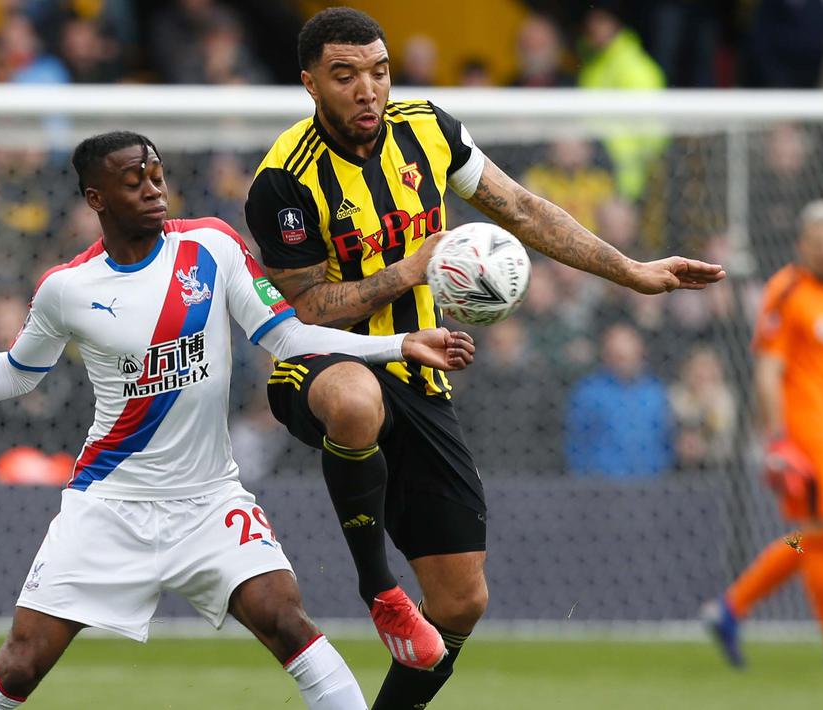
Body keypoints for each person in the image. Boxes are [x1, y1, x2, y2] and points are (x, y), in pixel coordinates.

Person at [0, 130, 477, 710]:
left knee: (286, 620)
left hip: (207, 499)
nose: (152, 187)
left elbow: (287, 338)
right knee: (21, 664)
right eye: (132, 179)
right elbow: (19, 370)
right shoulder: (67, 288)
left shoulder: (212, 248)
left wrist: (396, 344)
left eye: (156, 173)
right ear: (95, 197)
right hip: (110, 502)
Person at [244, 8, 724, 708]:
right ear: (310, 83)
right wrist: (407, 273)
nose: (366, 90)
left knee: (461, 601)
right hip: (319, 363)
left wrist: (631, 270)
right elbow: (308, 309)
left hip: (420, 367)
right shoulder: (283, 180)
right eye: (344, 76)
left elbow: (522, 210)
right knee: (354, 402)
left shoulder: (427, 128)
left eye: (378, 72)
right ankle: (376, 586)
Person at [703, 200, 823, 673]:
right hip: (804, 435)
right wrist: (777, 438)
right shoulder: (785, 292)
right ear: (803, 244)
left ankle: (731, 609)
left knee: (809, 537)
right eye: (820, 243)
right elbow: (767, 370)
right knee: (822, 535)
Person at [565, 324, 673, 479]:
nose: (623, 361)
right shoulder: (588, 392)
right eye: (616, 355)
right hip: (602, 488)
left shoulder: (655, 392)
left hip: (650, 484)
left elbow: (666, 438)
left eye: (627, 355)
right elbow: (576, 442)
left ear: (640, 352)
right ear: (606, 355)